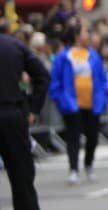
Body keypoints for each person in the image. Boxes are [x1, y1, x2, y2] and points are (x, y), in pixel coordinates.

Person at [48, 25, 108, 185]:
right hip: (72, 105)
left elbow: (102, 79)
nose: (88, 36)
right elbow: (55, 81)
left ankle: (88, 165)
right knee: (73, 138)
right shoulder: (64, 57)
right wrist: (61, 100)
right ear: (76, 36)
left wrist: (102, 96)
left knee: (93, 137)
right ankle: (73, 169)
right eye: (85, 32)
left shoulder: (94, 56)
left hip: (92, 104)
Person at [1, 24, 50, 209]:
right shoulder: (14, 46)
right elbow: (43, 76)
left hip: (12, 110)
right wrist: (32, 107)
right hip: (13, 114)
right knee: (22, 179)